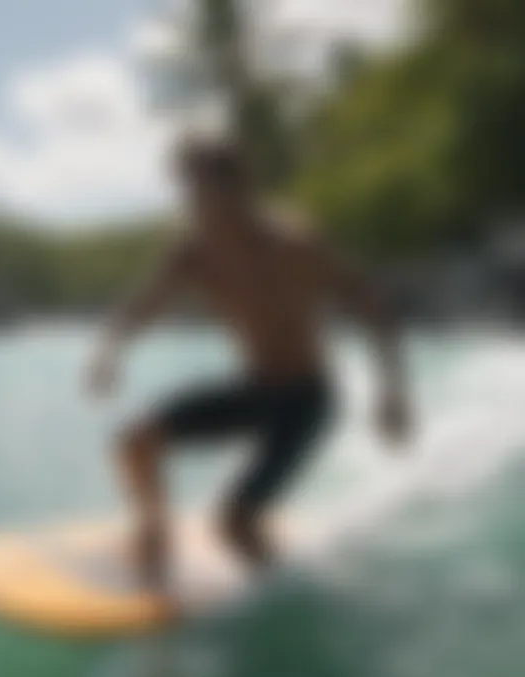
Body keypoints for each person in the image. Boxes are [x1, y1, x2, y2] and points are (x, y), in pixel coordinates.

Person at [85, 139, 410, 596]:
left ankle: (288, 597)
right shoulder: (193, 253)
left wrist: (393, 393)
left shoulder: (295, 244)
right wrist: (109, 353)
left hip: (306, 399)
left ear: (238, 190)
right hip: (256, 388)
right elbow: (144, 304)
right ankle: (156, 531)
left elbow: (371, 307)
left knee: (233, 524)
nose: (191, 204)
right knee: (135, 443)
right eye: (187, 192)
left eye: (201, 192)